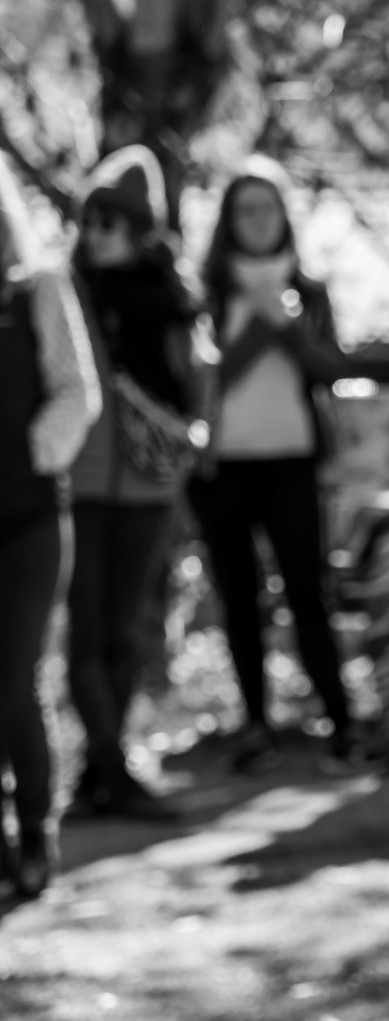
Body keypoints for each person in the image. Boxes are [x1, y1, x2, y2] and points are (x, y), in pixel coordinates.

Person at [188, 157, 389, 774]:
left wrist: (292, 329)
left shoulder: (311, 289)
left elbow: (330, 369)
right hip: (224, 468)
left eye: (267, 207)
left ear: (283, 215)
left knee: (308, 591)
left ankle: (342, 721)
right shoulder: (208, 291)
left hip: (294, 462)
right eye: (244, 208)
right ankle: (256, 723)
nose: (256, 219)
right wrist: (260, 328)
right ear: (228, 219)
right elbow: (207, 377)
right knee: (239, 597)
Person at [66, 144, 208, 820]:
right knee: (85, 630)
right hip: (79, 485)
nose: (95, 236)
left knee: (128, 630)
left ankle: (105, 768)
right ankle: (106, 764)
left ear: (138, 228)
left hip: (149, 485)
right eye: (89, 222)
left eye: (110, 223)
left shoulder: (171, 298)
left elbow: (193, 388)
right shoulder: (61, 292)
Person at [0, 156, 100, 895]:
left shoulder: (37, 290)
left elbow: (76, 392)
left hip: (30, 519)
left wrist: (29, 455)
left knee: (15, 679)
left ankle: (37, 829)